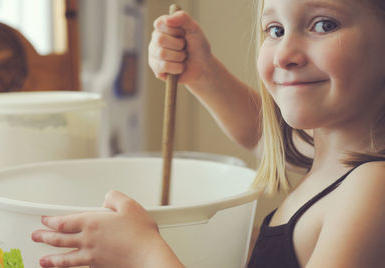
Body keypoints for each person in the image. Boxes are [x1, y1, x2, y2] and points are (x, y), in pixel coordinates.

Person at [30, 0, 385, 267]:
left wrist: (144, 253)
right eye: (274, 30)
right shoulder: (330, 154)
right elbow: (260, 134)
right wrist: (203, 73)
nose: (285, 55)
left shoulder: (372, 189)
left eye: (324, 25)